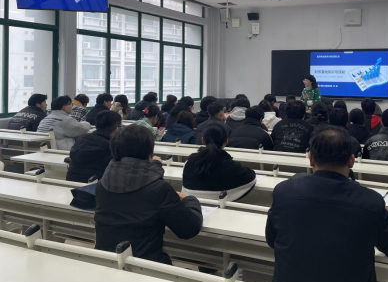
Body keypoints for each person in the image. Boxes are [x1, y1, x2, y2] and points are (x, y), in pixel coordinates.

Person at [266, 127, 388, 282]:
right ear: (351, 161)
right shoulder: (371, 201)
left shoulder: (283, 191)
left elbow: (272, 239)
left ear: (311, 159)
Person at [94, 125, 202, 264]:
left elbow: (135, 174)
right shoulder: (158, 189)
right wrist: (190, 200)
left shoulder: (102, 184)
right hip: (145, 265)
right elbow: (190, 229)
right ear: (149, 152)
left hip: (106, 261)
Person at [183, 123, 256, 201]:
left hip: (190, 205)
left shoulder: (189, 162)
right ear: (226, 141)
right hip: (220, 205)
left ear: (202, 140)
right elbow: (252, 179)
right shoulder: (231, 166)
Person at [66, 111, 122, 183]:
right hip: (95, 187)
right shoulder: (112, 147)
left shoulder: (81, 140)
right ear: (117, 129)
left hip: (71, 184)